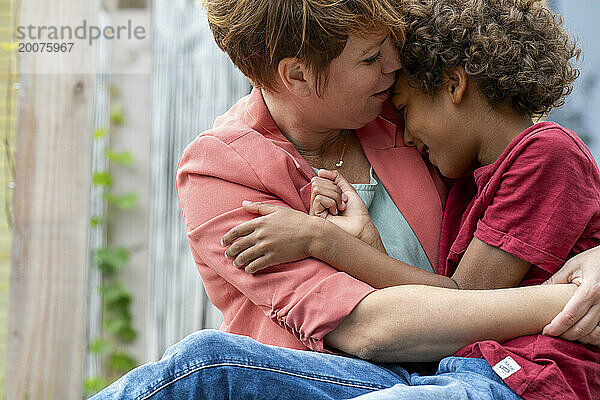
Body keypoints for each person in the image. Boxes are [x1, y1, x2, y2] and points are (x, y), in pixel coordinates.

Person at [90, 0, 600, 399]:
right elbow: (367, 331)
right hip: (347, 380)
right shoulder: (219, 171)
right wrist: (570, 302)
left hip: (472, 373)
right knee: (204, 367)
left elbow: (548, 194)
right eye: (371, 57)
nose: (395, 65)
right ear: (297, 75)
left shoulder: (414, 112)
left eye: (390, 45)